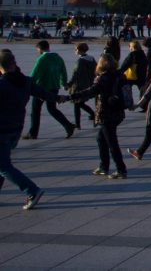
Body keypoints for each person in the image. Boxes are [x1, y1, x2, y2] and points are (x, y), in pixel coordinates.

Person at [0, 49, 56, 209]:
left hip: (2, 130)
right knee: (2, 163)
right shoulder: (25, 81)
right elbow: (43, 93)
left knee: (3, 166)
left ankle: (32, 190)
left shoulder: (2, 84)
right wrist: (59, 98)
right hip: (15, 129)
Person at [69, 53, 128, 179]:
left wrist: (72, 96)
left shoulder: (103, 78)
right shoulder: (119, 75)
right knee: (101, 138)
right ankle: (104, 166)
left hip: (107, 113)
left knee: (112, 142)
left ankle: (121, 169)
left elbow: (91, 91)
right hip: (118, 111)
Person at [22, 40, 75, 140]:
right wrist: (63, 83)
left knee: (35, 110)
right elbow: (63, 71)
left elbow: (34, 74)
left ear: (40, 48)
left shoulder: (41, 59)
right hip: (54, 87)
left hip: (42, 88)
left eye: (37, 49)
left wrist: (28, 84)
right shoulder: (58, 58)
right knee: (52, 109)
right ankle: (68, 125)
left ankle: (33, 133)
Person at [68, 42, 97, 129]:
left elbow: (75, 74)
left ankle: (79, 123)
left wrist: (69, 84)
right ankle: (89, 116)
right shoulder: (91, 59)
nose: (75, 51)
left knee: (77, 103)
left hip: (78, 85)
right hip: (88, 83)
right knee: (79, 103)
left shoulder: (80, 61)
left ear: (80, 50)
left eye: (76, 49)